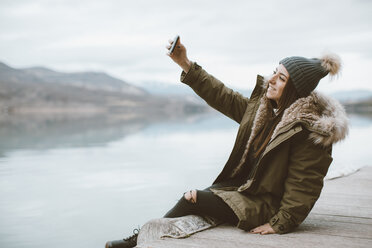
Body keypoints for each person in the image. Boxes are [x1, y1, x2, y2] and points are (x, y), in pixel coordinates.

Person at [105, 37, 349, 248]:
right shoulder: (265, 112)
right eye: (274, 71)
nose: (271, 79)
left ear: (294, 89)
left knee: (193, 198)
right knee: (195, 199)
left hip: (267, 206)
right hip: (245, 191)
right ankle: (139, 240)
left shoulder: (308, 132)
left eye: (281, 78)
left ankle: (137, 242)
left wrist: (280, 223)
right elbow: (223, 96)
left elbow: (304, 185)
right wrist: (185, 64)